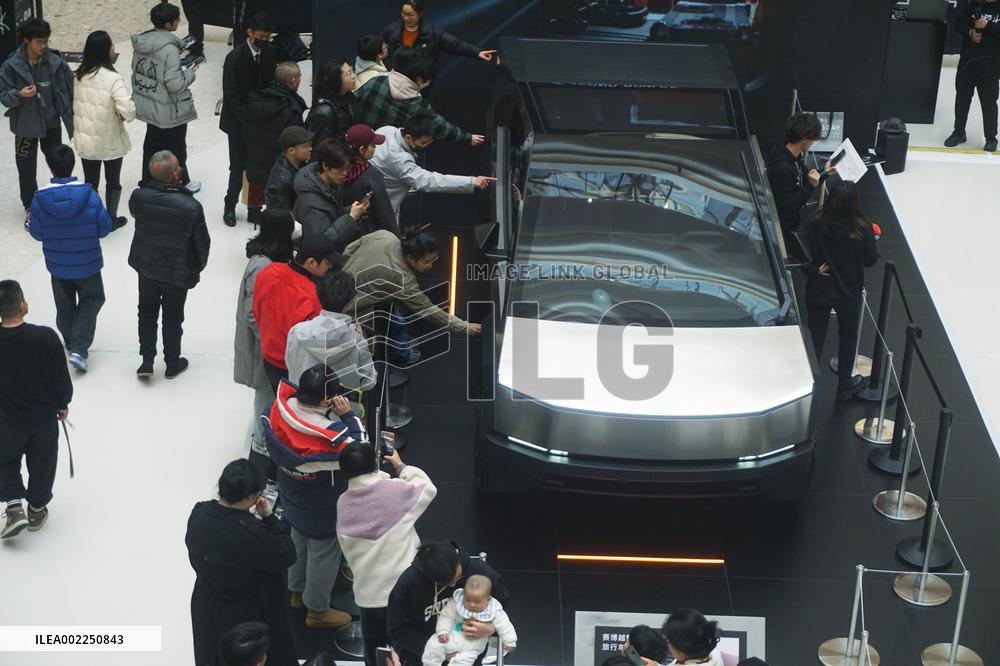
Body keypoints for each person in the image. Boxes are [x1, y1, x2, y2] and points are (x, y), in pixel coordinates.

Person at [262, 364, 366, 630]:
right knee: (323, 555)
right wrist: (348, 417)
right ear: (325, 399)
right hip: (322, 506)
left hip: (291, 495)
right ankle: (317, 611)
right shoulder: (329, 439)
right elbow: (360, 451)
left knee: (298, 541)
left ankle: (296, 593)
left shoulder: (279, 408)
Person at [185, 459, 298, 666]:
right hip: (245, 610)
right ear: (250, 497)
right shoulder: (251, 533)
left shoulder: (198, 514)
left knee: (210, 654)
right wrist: (270, 518)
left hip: (206, 602)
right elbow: (287, 555)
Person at [337, 441, 437, 666]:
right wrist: (401, 466)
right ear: (374, 463)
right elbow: (427, 487)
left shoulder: (343, 503)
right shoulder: (395, 491)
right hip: (404, 592)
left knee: (376, 652)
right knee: (411, 649)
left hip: (369, 594)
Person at [28, 144, 112, 373]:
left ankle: (71, 341)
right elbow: (105, 228)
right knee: (93, 300)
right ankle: (79, 348)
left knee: (64, 305)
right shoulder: (90, 195)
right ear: (73, 164)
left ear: (50, 168)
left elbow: (36, 233)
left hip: (58, 265)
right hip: (89, 264)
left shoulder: (39, 200)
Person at [128, 150, 211, 379]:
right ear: (175, 173)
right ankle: (172, 362)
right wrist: (198, 266)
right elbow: (202, 243)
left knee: (146, 312)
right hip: (177, 271)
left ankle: (146, 360)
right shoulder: (191, 207)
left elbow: (136, 215)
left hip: (146, 266)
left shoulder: (138, 197)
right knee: (173, 317)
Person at [0, 280, 72, 540]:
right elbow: (61, 379)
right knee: (43, 464)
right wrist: (63, 403)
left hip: (5, 421)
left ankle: (13, 506)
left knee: (5, 462)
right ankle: (36, 509)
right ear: (22, 306)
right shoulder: (46, 337)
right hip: (42, 419)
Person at [803, 180, 879, 401]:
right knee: (848, 337)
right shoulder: (862, 229)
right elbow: (870, 260)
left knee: (815, 336)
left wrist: (814, 269)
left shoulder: (816, 224)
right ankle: (845, 382)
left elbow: (801, 253)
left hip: (819, 287)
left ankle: (809, 382)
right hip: (848, 290)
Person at [0, 18, 75, 229]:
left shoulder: (55, 62)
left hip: (51, 124)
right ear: (26, 40)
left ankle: (62, 202)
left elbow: (69, 89)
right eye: (39, 42)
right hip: (24, 128)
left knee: (58, 164)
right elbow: (4, 96)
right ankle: (30, 208)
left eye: (46, 41)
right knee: (26, 170)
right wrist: (19, 94)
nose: (44, 46)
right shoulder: (11, 65)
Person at [387, 540, 510, 666]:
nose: (453, 584)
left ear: (457, 555)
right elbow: (398, 629)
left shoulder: (481, 573)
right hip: (423, 657)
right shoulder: (408, 584)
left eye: (457, 577)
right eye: (445, 583)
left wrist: (491, 628)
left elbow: (502, 610)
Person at [235, 209, 294, 467]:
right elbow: (252, 313)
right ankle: (261, 442)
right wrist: (274, 338)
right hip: (264, 344)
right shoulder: (262, 266)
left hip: (269, 340)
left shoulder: (271, 259)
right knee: (265, 391)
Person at [343, 226, 482, 337]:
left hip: (337, 285)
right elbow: (427, 309)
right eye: (427, 262)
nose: (431, 265)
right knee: (392, 315)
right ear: (410, 257)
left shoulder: (385, 235)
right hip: (350, 311)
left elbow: (349, 249)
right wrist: (463, 327)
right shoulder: (403, 280)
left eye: (434, 259)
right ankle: (400, 354)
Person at [251, 236, 339, 393]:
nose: (330, 267)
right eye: (327, 263)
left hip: (268, 353)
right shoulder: (311, 295)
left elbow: (256, 308)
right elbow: (315, 339)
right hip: (293, 365)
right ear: (311, 262)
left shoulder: (268, 271)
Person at [132, 2, 199, 191]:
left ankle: (147, 180)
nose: (179, 21)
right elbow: (175, 83)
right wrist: (190, 72)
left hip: (150, 103)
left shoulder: (142, 43)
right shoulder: (169, 49)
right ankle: (182, 183)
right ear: (169, 25)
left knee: (151, 144)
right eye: (177, 19)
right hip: (169, 108)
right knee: (177, 148)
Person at [73, 30, 136, 232]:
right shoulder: (113, 78)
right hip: (109, 141)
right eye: (111, 45)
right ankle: (110, 219)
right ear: (105, 50)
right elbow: (127, 109)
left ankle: (92, 218)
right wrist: (125, 115)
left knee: (91, 182)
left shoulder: (79, 75)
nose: (114, 48)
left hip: (86, 139)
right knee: (113, 181)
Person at [355, 48, 483, 146]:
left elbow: (352, 99)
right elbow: (439, 126)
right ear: (419, 79)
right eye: (427, 80)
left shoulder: (377, 80)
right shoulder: (417, 104)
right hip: (385, 151)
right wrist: (468, 138)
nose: (428, 83)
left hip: (357, 140)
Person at [372, 115, 494, 216]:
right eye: (423, 143)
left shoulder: (386, 130)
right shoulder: (401, 160)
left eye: (430, 141)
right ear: (408, 137)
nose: (426, 145)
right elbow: (430, 181)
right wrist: (472, 181)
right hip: (380, 208)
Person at [222, 12, 278, 227]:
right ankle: (229, 206)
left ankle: (254, 207)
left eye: (268, 36)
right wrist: (249, 118)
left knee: (258, 165)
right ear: (250, 32)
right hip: (238, 122)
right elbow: (232, 95)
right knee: (237, 167)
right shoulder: (235, 57)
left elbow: (270, 85)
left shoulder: (269, 53)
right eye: (261, 36)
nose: (264, 40)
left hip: (260, 121)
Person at [285, 270, 377, 392]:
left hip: (299, 406)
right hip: (341, 409)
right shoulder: (358, 341)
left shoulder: (297, 331)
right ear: (349, 303)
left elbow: (290, 365)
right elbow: (367, 383)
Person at [241, 61, 306, 226]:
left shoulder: (256, 100)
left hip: (256, 165)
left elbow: (245, 131)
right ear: (292, 81)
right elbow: (296, 142)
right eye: (299, 78)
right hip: (280, 172)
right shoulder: (292, 110)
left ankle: (254, 214)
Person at [765, 112, 824, 259]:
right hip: (785, 229)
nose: (813, 143)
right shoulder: (783, 167)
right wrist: (810, 186)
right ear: (804, 139)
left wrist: (826, 172)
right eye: (813, 139)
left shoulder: (789, 155)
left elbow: (807, 177)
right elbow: (788, 204)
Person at [293, 139, 371, 251]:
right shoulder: (311, 203)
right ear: (325, 166)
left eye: (347, 169)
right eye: (341, 170)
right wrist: (351, 217)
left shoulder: (328, 185)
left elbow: (331, 213)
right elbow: (322, 242)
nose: (345, 174)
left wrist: (352, 210)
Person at [421, 575, 516, 666]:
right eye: (468, 600)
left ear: (488, 600)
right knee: (433, 645)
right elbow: (446, 616)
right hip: (451, 637)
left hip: (472, 646)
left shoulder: (493, 609)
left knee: (463, 662)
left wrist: (510, 641)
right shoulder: (457, 603)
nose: (472, 605)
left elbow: (504, 624)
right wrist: (443, 631)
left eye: (477, 602)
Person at [946, 0, 1000, 151]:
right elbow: (957, 22)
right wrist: (969, 32)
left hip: (991, 65)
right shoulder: (973, 4)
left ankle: (991, 138)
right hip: (967, 62)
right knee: (962, 99)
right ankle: (958, 133)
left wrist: (988, 25)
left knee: (989, 103)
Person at [382, 1, 496, 68]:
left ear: (420, 14)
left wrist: (477, 52)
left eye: (410, 14)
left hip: (419, 82)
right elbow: (379, 49)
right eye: (404, 14)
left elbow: (456, 44)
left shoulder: (432, 34)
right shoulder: (391, 30)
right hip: (394, 77)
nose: (406, 18)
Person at [343, 123, 398, 235]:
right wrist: (397, 239)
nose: (375, 149)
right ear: (362, 149)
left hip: (343, 231)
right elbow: (383, 212)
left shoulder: (336, 168)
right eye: (373, 145)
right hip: (366, 234)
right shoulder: (371, 174)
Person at [306, 57, 359, 147]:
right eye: (349, 73)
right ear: (336, 80)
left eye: (352, 71)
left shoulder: (349, 96)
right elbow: (320, 148)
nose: (353, 76)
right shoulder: (323, 112)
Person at [266, 125, 313, 212]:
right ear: (291, 151)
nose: (310, 149)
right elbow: (280, 215)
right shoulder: (280, 179)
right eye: (305, 146)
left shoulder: (302, 165)